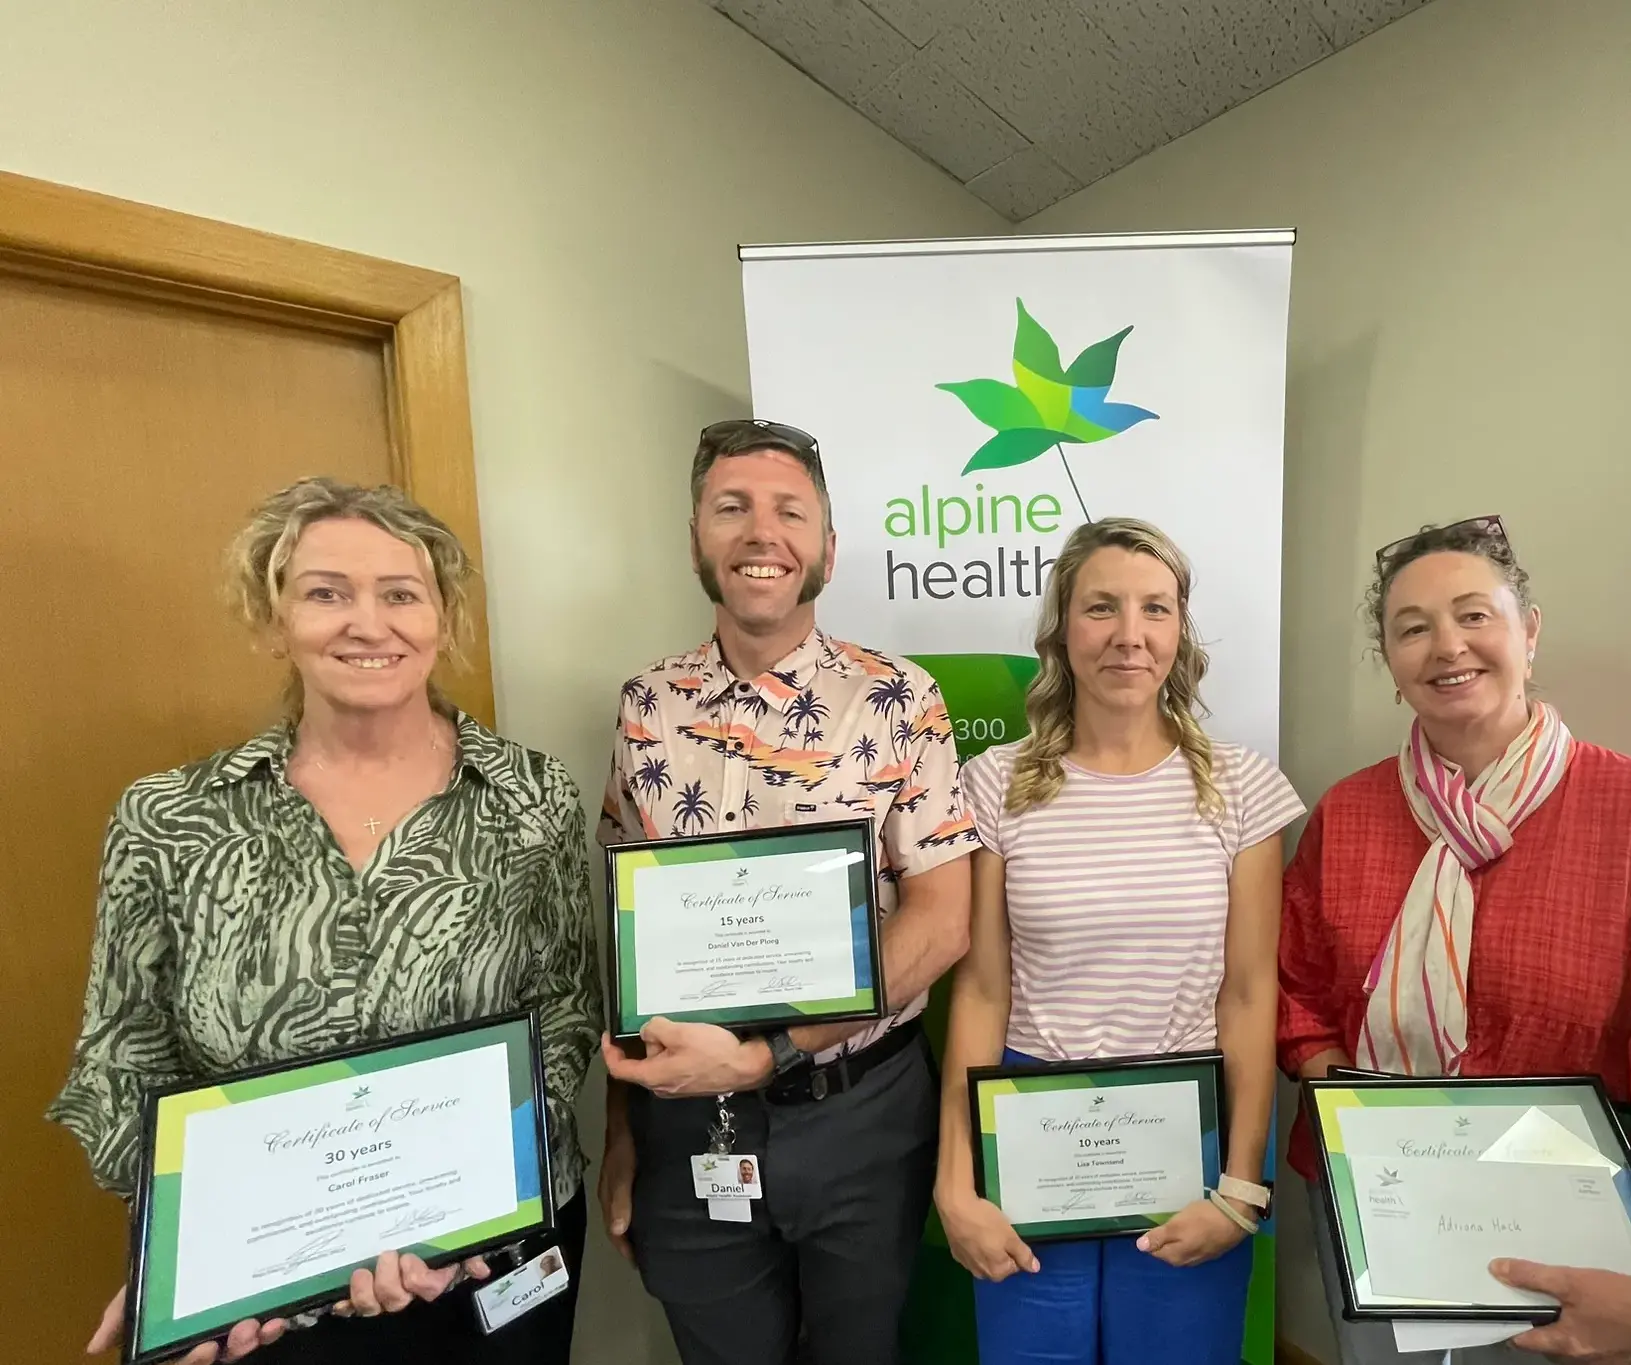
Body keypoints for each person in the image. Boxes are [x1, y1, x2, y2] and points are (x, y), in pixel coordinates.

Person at [50, 478, 602, 1365]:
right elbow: (123, 1053)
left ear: (443, 619)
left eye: (400, 593)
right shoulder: (171, 821)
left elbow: (566, 1014)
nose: (367, 622)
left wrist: (461, 1211)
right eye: (325, 592)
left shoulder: (532, 799)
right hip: (264, 1299)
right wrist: (190, 1256)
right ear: (273, 621)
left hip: (492, 1260)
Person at [1278, 516, 1631, 1364]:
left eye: (1473, 615)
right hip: (1386, 1213)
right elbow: (1296, 993)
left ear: (1528, 632)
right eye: (1411, 628)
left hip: (1581, 1237)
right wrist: (1358, 1104)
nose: (1446, 645)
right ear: (1390, 663)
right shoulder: (1347, 817)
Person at [596, 419, 977, 1365]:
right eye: (732, 508)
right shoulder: (646, 706)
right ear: (696, 538)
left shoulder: (900, 700)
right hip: (683, 1118)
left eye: (788, 512)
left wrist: (765, 1053)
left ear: (827, 549)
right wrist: (622, 1130)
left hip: (859, 1113)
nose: (760, 533)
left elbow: (941, 920)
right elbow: (620, 932)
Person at [937, 518, 1304, 1365]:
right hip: (1028, 1129)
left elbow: (1249, 997)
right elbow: (983, 993)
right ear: (1063, 629)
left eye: (1155, 608)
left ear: (1181, 630)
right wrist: (955, 1181)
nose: (1129, 635)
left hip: (1189, 1133)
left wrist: (1242, 1187)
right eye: (1101, 607)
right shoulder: (996, 782)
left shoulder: (1242, 785)